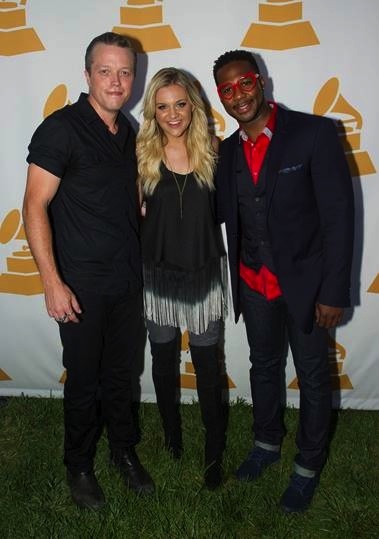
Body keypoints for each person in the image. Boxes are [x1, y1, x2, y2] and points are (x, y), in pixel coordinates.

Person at [213, 50, 354, 512]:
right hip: (254, 284)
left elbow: (338, 218)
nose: (239, 95)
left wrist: (333, 290)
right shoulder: (226, 151)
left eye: (245, 82)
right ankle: (266, 444)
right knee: (263, 365)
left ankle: (308, 466)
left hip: (309, 288)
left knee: (313, 377)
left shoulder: (313, 133)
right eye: (228, 89)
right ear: (222, 96)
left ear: (262, 81)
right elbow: (215, 212)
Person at [22, 32, 155, 510]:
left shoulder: (131, 132)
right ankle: (78, 464)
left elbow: (130, 202)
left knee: (122, 375)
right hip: (79, 285)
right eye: (106, 71)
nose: (117, 81)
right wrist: (52, 283)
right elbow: (34, 206)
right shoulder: (61, 129)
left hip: (127, 282)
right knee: (84, 379)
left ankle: (122, 451)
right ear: (87, 75)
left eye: (125, 71)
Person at [136, 67, 228, 489]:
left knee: (209, 365)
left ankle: (214, 451)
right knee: (163, 359)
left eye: (180, 104)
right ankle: (172, 435)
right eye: (162, 106)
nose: (173, 114)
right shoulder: (139, 156)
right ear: (152, 111)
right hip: (156, 278)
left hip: (204, 275)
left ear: (193, 104)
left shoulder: (214, 151)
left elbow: (231, 213)